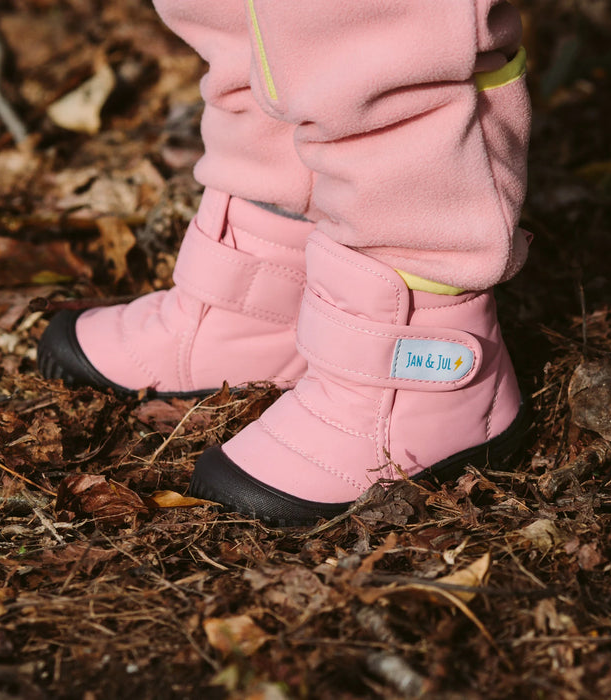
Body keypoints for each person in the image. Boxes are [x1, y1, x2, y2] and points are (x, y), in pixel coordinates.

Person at [38, 1, 531, 526]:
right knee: (250, 21)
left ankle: (422, 319)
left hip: (417, 358)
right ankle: (268, 270)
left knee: (385, 33)